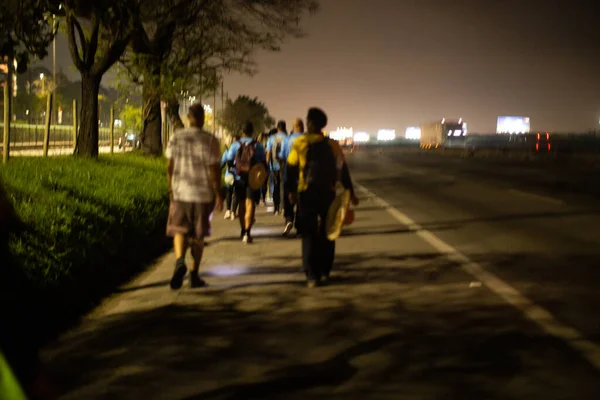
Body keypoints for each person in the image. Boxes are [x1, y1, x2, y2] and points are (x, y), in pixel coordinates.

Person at [287, 108, 359, 288]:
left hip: (307, 192)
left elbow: (290, 170)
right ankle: (325, 271)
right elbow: (342, 170)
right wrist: (351, 192)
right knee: (329, 231)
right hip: (328, 193)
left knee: (309, 234)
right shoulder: (333, 145)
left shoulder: (300, 143)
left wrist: (290, 192)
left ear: (310, 123)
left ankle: (312, 275)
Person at [166, 103, 223, 290]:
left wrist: (171, 190)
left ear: (188, 118)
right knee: (199, 236)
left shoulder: (176, 137)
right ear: (203, 118)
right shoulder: (210, 140)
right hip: (202, 195)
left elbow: (169, 166)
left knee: (179, 230)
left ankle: (179, 261)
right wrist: (218, 193)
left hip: (181, 192)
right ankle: (194, 275)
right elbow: (214, 170)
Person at [225, 121, 266, 244]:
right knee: (250, 204)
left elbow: (228, 160)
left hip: (238, 178)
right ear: (252, 131)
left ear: (242, 132)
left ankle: (243, 229)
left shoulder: (235, 145)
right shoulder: (258, 145)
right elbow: (263, 162)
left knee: (241, 205)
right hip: (252, 178)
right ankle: (248, 232)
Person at [280, 118, 304, 236]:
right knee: (301, 201)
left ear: (293, 127)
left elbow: (283, 156)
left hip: (289, 173)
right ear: (302, 126)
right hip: (303, 175)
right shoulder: (306, 139)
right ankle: (300, 227)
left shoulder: (287, 140)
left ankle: (289, 219)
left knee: (288, 198)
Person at [266, 121, 288, 215]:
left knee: (275, 186)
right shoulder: (287, 138)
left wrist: (266, 164)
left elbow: (268, 153)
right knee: (283, 186)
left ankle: (276, 208)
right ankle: (283, 207)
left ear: (277, 128)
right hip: (285, 166)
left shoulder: (271, 138)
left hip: (273, 166)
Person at [222, 134, 240, 220]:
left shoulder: (227, 151)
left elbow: (222, 164)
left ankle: (228, 211)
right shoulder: (242, 149)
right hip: (238, 175)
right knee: (236, 192)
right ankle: (233, 212)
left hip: (228, 175)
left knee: (229, 192)